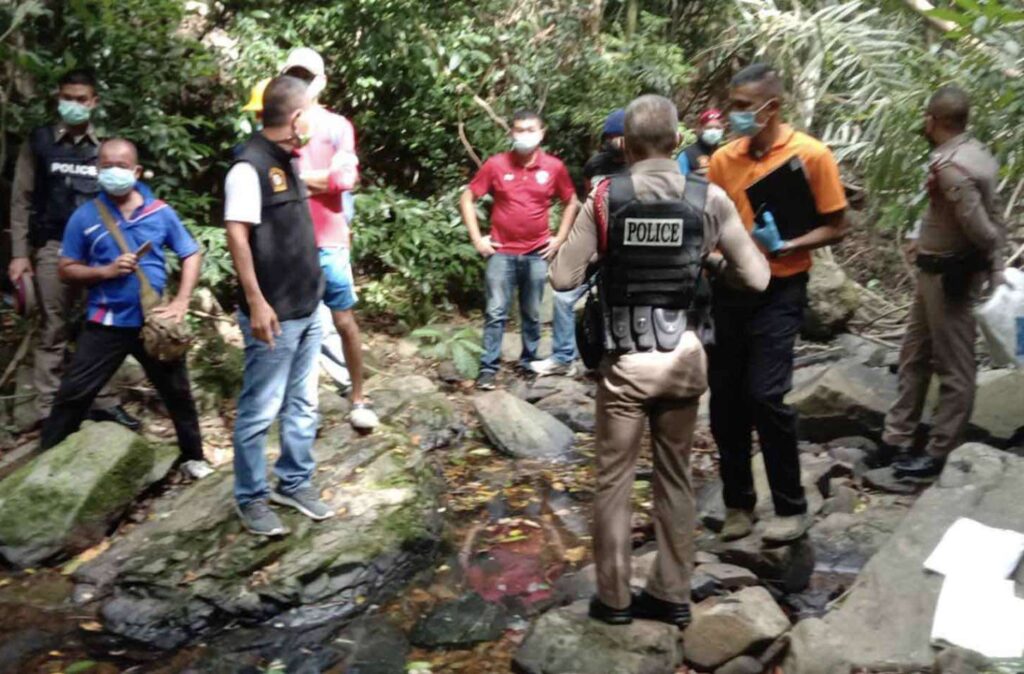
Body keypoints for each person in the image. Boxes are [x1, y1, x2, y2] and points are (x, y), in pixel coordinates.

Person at [550, 95, 769, 626]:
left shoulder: (604, 196)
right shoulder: (709, 196)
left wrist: (604, 250)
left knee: (614, 481)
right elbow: (758, 277)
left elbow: (562, 278)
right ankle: (672, 595)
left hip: (627, 364)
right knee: (674, 476)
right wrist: (712, 264)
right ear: (677, 140)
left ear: (625, 145)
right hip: (685, 359)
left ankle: (615, 600)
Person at [707, 64, 849, 544]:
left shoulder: (812, 155)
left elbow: (836, 224)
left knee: (767, 395)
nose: (734, 115)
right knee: (726, 401)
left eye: (744, 107)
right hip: (730, 288)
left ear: (771, 108)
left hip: (782, 288)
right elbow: (711, 222)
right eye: (733, 105)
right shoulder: (724, 159)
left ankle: (790, 506)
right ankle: (737, 505)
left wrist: (787, 243)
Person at [38, 139, 213, 480]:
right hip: (106, 321)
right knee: (74, 393)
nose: (112, 172)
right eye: (105, 166)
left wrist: (180, 302)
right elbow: (66, 268)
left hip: (154, 323)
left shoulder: (159, 212)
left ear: (136, 171)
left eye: (120, 166)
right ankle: (47, 459)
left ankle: (194, 458)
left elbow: (191, 253)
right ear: (97, 171)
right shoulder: (85, 216)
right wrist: (104, 271)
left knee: (178, 394)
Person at [225, 75, 334, 536]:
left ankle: (295, 480)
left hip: (307, 305)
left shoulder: (288, 159)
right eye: (309, 110)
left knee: (303, 403)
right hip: (274, 313)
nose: (313, 118)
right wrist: (256, 302)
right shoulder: (248, 167)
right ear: (294, 117)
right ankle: (250, 496)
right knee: (259, 409)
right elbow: (237, 233)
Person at [880, 85, 1006, 481]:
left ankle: (939, 451)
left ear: (933, 120)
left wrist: (993, 264)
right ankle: (897, 436)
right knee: (913, 353)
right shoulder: (976, 152)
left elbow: (982, 228)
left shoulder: (952, 165)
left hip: (950, 275)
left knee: (955, 366)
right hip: (932, 271)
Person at [7, 69, 138, 431]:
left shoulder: (104, 150)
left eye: (82, 99)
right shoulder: (40, 143)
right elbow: (21, 200)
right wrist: (19, 254)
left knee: (101, 328)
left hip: (101, 252)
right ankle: (48, 410)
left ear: (94, 102)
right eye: (68, 97)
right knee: (52, 328)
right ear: (58, 98)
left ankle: (104, 402)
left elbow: (123, 198)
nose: (74, 105)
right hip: (53, 248)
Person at [281, 48, 378, 430]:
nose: (301, 84)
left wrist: (295, 181)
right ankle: (302, 409)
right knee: (294, 326)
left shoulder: (338, 126)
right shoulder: (276, 127)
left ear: (321, 82)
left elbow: (344, 181)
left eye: (308, 77)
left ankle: (358, 397)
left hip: (329, 239)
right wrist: (316, 181)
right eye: (294, 76)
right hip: (288, 243)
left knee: (343, 321)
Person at [460, 110, 579, 390]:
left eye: (530, 130)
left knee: (532, 312)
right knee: (496, 311)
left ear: (541, 133)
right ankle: (488, 368)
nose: (524, 135)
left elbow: (571, 201)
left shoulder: (554, 167)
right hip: (501, 252)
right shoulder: (496, 165)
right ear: (511, 133)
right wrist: (478, 239)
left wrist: (560, 238)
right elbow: (467, 198)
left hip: (537, 252)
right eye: (518, 130)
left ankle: (528, 361)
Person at [532, 108, 627, 377]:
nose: (617, 141)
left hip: (625, 249)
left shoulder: (640, 165)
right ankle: (564, 356)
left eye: (622, 135)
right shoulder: (595, 165)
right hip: (594, 245)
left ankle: (617, 360)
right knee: (563, 296)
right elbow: (589, 201)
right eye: (612, 136)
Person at [678, 108, 725, 177]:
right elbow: (678, 182)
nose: (714, 132)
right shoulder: (687, 155)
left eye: (718, 128)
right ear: (699, 128)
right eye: (709, 128)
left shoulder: (725, 155)